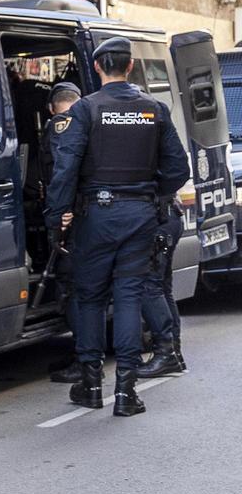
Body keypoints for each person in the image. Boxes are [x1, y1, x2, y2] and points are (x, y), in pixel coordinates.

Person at [45, 36, 189, 417]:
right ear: (130, 66)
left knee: (89, 298)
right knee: (129, 297)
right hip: (140, 217)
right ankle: (126, 391)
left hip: (96, 217)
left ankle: (91, 384)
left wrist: (55, 217)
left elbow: (65, 169)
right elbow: (178, 170)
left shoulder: (86, 110)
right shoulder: (154, 110)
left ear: (96, 68)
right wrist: (149, 194)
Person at [39, 82, 84, 384]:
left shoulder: (60, 125)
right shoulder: (92, 121)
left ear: (52, 108)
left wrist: (58, 218)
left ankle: (84, 361)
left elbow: (62, 174)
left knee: (73, 287)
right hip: (97, 215)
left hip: (73, 218)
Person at [136, 195, 186, 377]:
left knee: (150, 286)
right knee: (162, 288)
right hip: (169, 215)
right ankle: (173, 351)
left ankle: (166, 355)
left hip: (158, 219)